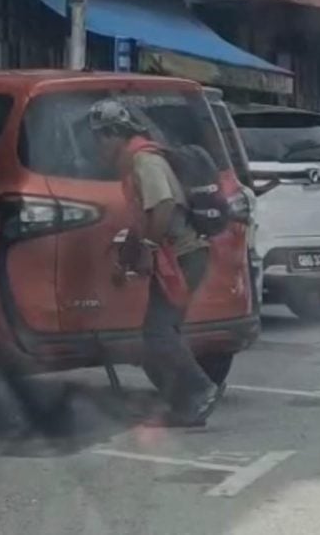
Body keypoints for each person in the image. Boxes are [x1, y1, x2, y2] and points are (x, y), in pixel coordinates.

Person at [89, 99, 221, 427]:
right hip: (177, 256)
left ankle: (201, 390)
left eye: (101, 137)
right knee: (157, 336)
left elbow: (163, 206)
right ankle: (185, 407)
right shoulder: (135, 162)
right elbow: (143, 217)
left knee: (160, 332)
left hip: (185, 256)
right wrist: (128, 257)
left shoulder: (143, 160)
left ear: (116, 135)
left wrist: (147, 245)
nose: (99, 146)